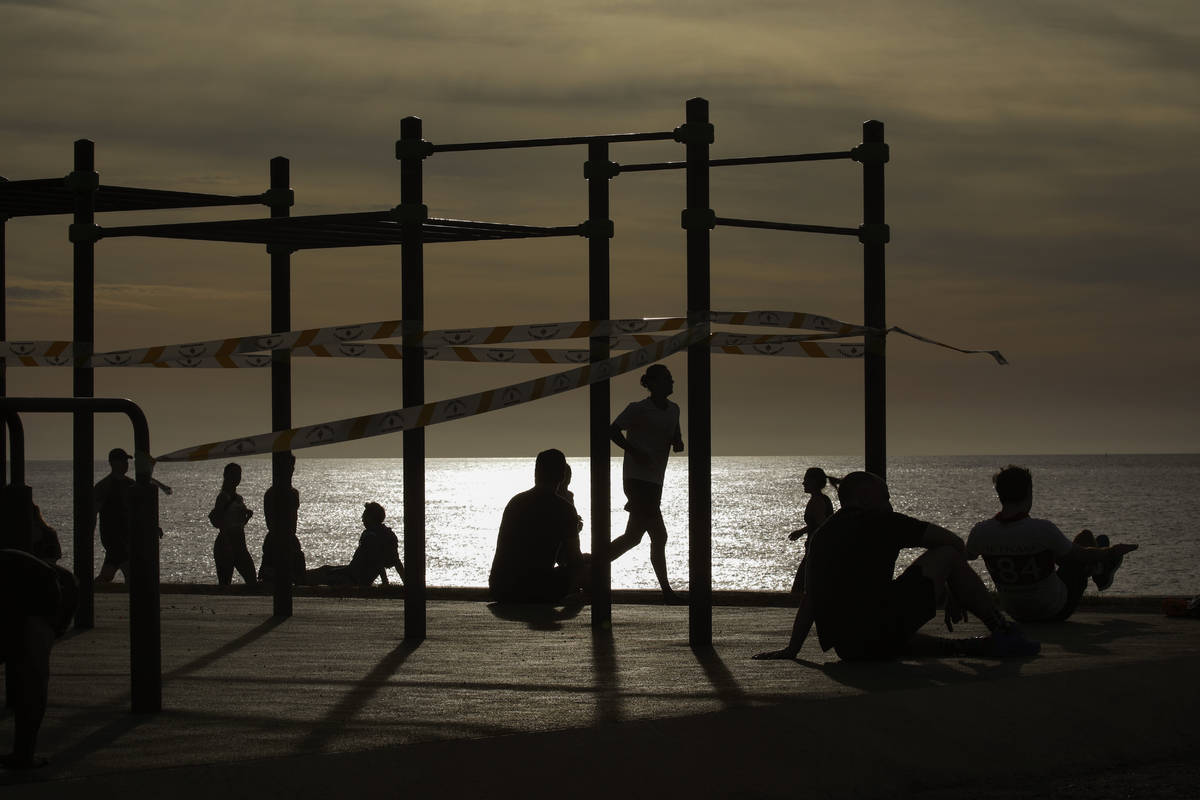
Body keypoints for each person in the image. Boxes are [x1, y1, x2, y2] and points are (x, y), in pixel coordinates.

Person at [753, 471, 1041, 662]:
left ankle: (964, 647)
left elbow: (811, 599)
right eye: (886, 497)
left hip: (850, 648)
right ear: (866, 499)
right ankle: (1000, 630)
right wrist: (954, 588)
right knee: (945, 556)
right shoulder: (885, 523)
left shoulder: (824, 535)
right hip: (880, 627)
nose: (890, 504)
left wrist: (792, 650)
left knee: (881, 629)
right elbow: (955, 544)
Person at [966, 465, 1138, 623]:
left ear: (1000, 495)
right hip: (1055, 610)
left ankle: (1101, 569)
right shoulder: (1042, 529)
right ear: (1028, 493)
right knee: (1087, 539)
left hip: (1016, 613)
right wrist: (1111, 552)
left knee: (1060, 550)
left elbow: (967, 556)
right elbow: (1081, 555)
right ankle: (1101, 570)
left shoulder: (981, 532)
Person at [608, 364, 684, 602]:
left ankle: (592, 563)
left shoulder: (674, 410)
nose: (672, 382)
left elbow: (676, 436)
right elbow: (613, 431)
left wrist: (677, 443)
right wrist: (634, 451)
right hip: (637, 480)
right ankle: (667, 592)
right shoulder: (637, 409)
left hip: (655, 481)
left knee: (633, 537)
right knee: (658, 536)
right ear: (652, 383)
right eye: (667, 379)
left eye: (672, 379)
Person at [1, 548, 78, 770]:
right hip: (40, 593)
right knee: (34, 680)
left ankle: (23, 754)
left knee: (32, 675)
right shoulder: (51, 589)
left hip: (35, 589)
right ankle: (23, 754)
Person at [489, 448, 590, 604]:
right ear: (562, 476)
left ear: (536, 472)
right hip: (536, 590)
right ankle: (577, 599)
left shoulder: (515, 502)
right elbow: (573, 559)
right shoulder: (564, 508)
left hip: (500, 588)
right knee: (590, 564)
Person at [93, 447, 172, 583]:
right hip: (113, 538)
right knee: (132, 573)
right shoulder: (104, 486)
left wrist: (153, 526)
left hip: (127, 537)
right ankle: (137, 602)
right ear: (113, 463)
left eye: (126, 461)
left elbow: (141, 511)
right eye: (123, 461)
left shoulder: (130, 484)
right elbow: (94, 511)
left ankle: (86, 592)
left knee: (107, 574)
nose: (126, 464)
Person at [307, 502, 405, 587]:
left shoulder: (370, 536)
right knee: (326, 569)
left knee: (321, 574)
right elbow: (395, 561)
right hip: (354, 575)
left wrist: (385, 583)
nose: (362, 519)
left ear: (371, 518)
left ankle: (299, 577)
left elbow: (378, 560)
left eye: (364, 516)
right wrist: (406, 582)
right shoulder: (388, 534)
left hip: (354, 579)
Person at [258, 453, 306, 586]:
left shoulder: (293, 493)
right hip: (276, 540)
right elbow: (270, 523)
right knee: (271, 579)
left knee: (299, 578)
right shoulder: (271, 494)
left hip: (291, 538)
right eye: (288, 467)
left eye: (292, 467)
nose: (291, 470)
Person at [788, 467, 838, 593]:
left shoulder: (817, 501)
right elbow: (819, 524)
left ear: (814, 482)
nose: (803, 483)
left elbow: (822, 526)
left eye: (806, 480)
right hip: (818, 550)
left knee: (799, 589)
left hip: (816, 551)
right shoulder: (823, 499)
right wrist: (801, 532)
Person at [208, 463, 257, 587]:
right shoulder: (223, 497)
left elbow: (238, 524)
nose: (237, 477)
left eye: (238, 474)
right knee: (225, 584)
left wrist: (246, 517)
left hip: (240, 543)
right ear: (226, 476)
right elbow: (219, 521)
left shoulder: (239, 498)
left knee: (252, 579)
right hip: (226, 543)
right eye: (233, 474)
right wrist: (226, 539)